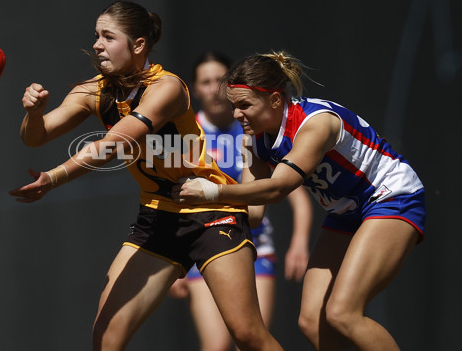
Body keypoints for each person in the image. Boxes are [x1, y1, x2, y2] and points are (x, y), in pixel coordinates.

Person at [8, 2, 283, 351]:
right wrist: (33, 114)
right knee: (106, 337)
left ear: (138, 45)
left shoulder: (167, 87)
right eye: (96, 35)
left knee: (247, 335)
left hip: (211, 215)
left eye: (109, 36)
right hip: (157, 217)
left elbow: (114, 143)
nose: (97, 44)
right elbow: (36, 137)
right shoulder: (93, 91)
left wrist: (53, 178)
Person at [172, 50, 426, 350]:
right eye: (233, 106)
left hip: (391, 197)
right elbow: (253, 214)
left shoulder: (316, 124)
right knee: (311, 321)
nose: (237, 114)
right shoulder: (253, 139)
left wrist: (214, 192)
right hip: (345, 212)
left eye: (244, 106)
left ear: (275, 100)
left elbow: (279, 188)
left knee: (342, 312)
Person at [168, 51, 313, 351]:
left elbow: (289, 189)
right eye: (205, 82)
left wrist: (299, 242)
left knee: (252, 340)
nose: (213, 89)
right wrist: (173, 260)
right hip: (202, 247)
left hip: (256, 244)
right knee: (217, 345)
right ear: (195, 89)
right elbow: (171, 199)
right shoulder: (185, 135)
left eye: (220, 81)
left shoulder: (255, 128)